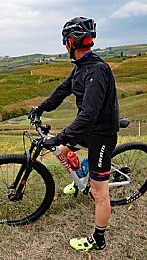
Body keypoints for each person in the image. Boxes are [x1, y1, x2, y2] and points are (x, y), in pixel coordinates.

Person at [28, 16, 119, 252]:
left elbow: (88, 115)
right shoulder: (81, 67)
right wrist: (41, 107)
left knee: (99, 193)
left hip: (101, 134)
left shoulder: (96, 71)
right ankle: (81, 175)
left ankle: (98, 240)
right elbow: (62, 91)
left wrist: (60, 137)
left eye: (64, 41)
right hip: (89, 128)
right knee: (65, 150)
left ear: (70, 42)